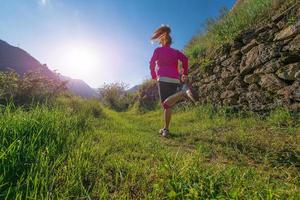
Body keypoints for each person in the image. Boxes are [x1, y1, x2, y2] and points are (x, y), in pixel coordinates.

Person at [149, 25, 189, 137]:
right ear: (170, 42)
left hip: (163, 79)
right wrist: (184, 73)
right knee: (168, 105)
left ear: (161, 41)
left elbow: (152, 63)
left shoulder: (158, 50)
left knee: (165, 104)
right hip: (175, 79)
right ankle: (166, 129)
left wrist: (153, 75)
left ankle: (182, 93)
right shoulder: (175, 52)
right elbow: (185, 59)